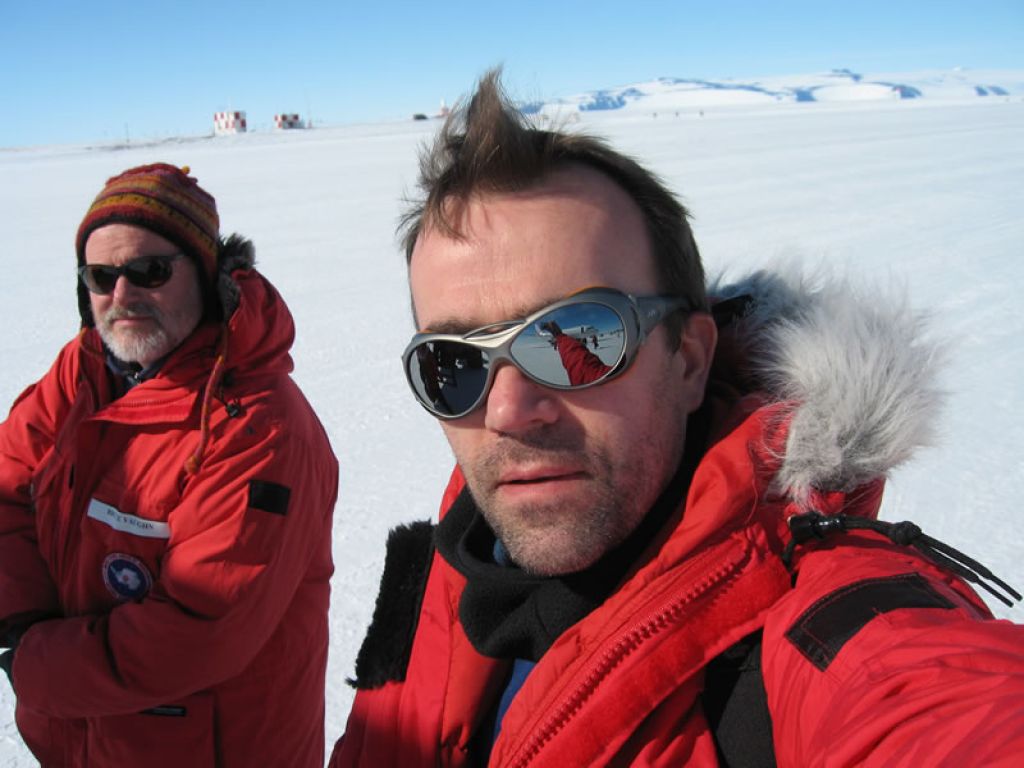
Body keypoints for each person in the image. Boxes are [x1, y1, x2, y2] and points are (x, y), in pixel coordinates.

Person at [330, 71, 1024, 767]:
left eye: (579, 339)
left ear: (689, 360)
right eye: (452, 364)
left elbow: (940, 709)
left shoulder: (822, 627)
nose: (508, 412)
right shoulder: (447, 565)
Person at [0, 163, 338, 767]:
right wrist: (20, 617)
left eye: (149, 271)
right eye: (101, 277)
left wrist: (33, 658)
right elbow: (5, 485)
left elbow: (194, 632)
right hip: (80, 739)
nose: (122, 297)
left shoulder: (257, 429)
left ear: (209, 280)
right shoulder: (82, 374)